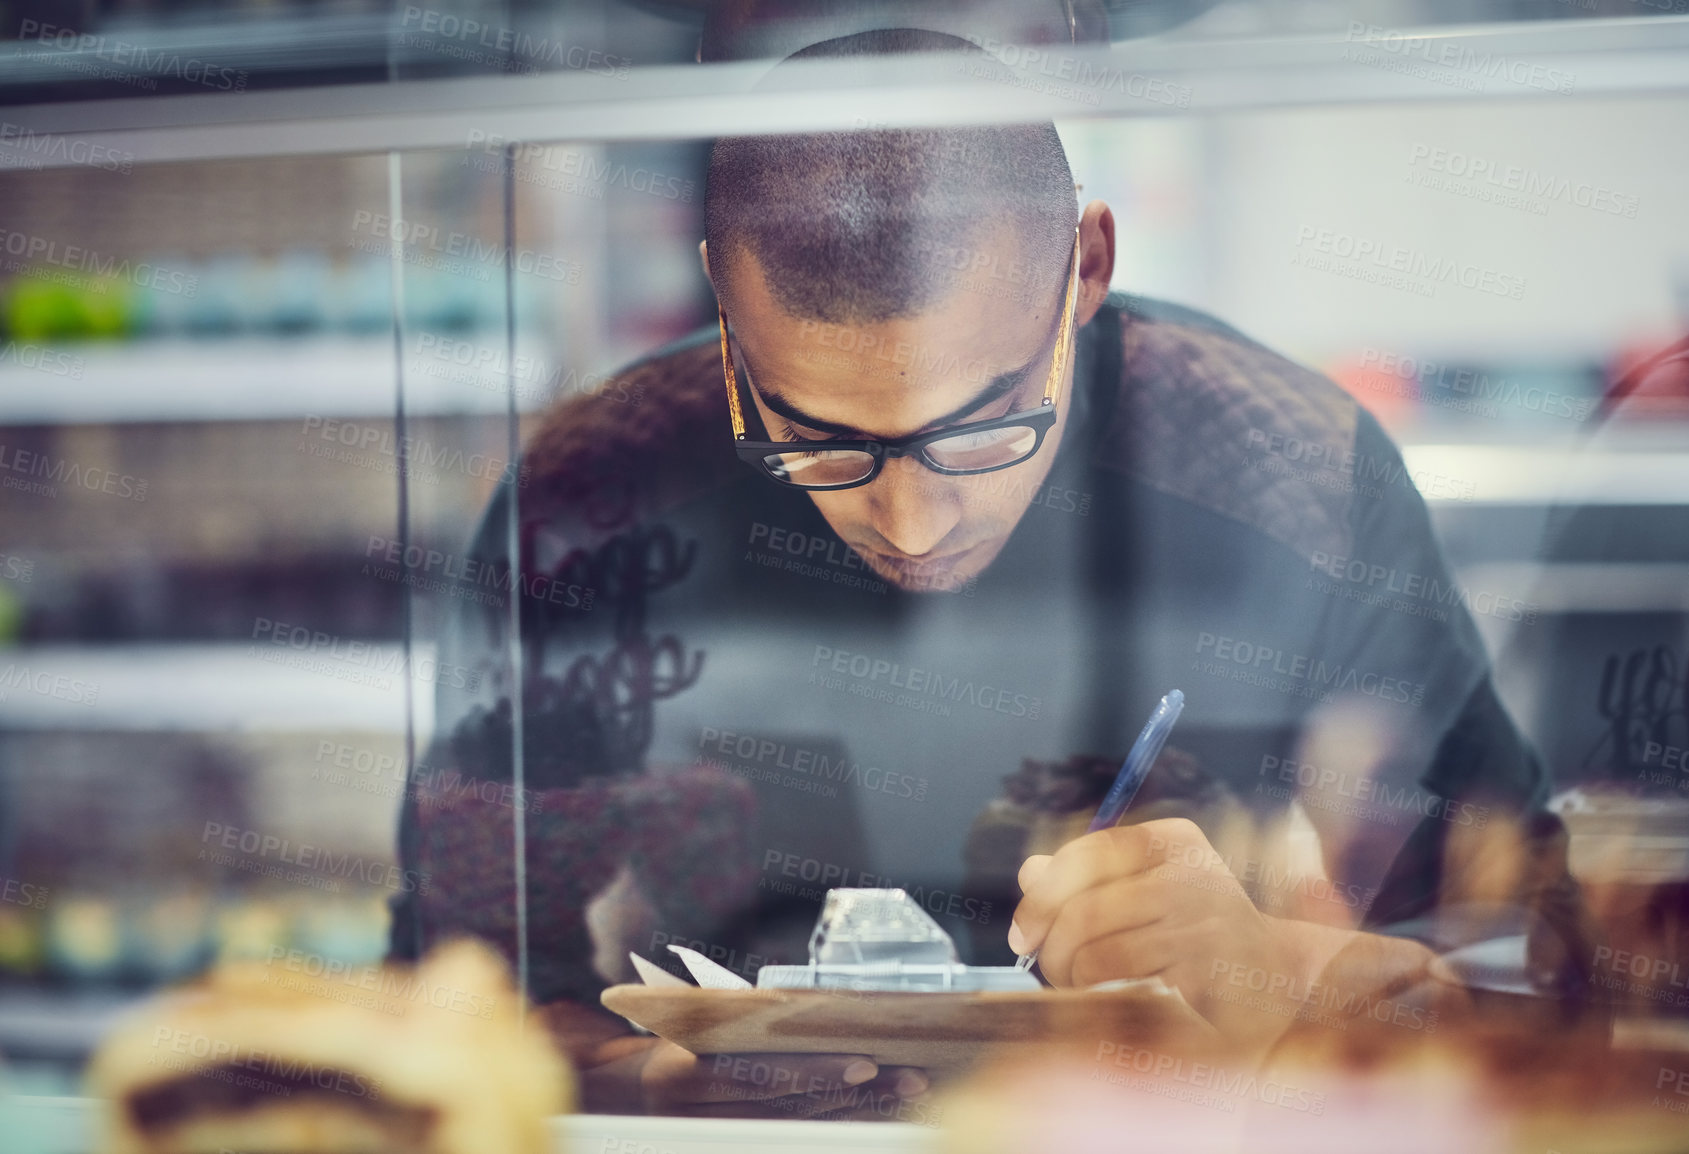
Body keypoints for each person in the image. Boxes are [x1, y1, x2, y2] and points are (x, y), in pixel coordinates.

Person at [387, 27, 1589, 1120]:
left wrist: (1279, 973)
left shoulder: (1294, 470)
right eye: (818, 441)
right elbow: (453, 999)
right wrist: (648, 1092)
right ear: (723, 302)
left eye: (981, 427)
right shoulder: (591, 495)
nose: (910, 520)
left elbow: (1546, 976)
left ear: (1088, 270)